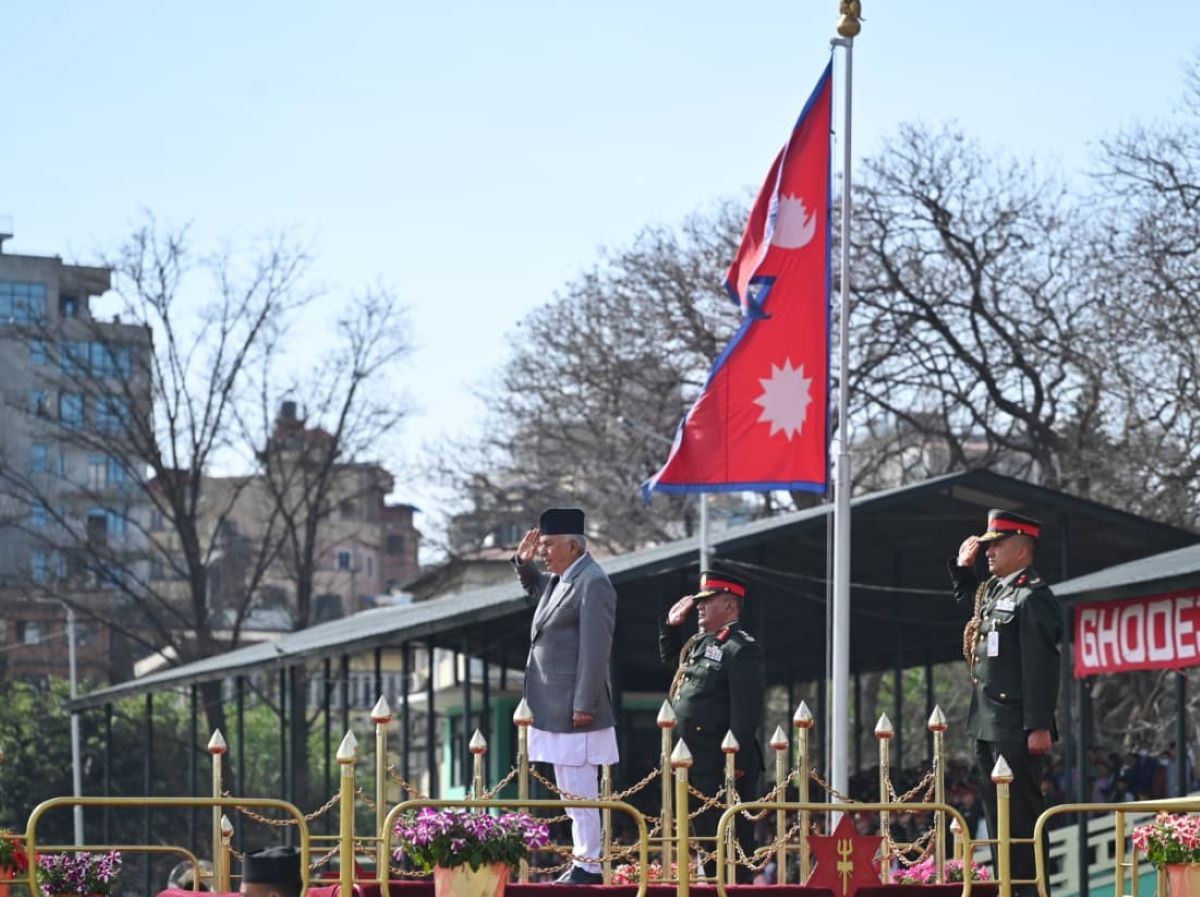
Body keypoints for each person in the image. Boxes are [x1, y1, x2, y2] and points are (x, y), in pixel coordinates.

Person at [950, 509, 1061, 897]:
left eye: (997, 544)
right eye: (988, 545)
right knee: (997, 818)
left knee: (1021, 817)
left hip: (1016, 724)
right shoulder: (997, 590)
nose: (990, 552)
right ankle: (1007, 889)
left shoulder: (1033, 597)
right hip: (987, 721)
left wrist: (1039, 724)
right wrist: (964, 569)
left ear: (1022, 548)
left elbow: (1041, 665)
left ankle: (1031, 891)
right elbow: (972, 604)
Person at [514, 507, 618, 885]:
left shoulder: (593, 582)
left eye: (548, 545)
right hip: (554, 703)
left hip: (575, 707)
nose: (543, 552)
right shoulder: (561, 580)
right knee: (570, 790)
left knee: (580, 790)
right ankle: (582, 859)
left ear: (573, 545)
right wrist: (523, 564)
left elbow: (595, 649)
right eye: (540, 545)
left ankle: (590, 865)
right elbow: (537, 589)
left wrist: (584, 705)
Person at [659, 570, 764, 883]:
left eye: (708, 601)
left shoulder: (740, 648)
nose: (699, 606)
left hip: (719, 767)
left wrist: (737, 762)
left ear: (730, 606)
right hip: (691, 764)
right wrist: (670, 628)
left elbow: (746, 710)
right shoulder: (700, 643)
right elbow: (672, 666)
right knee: (697, 846)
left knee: (727, 852)